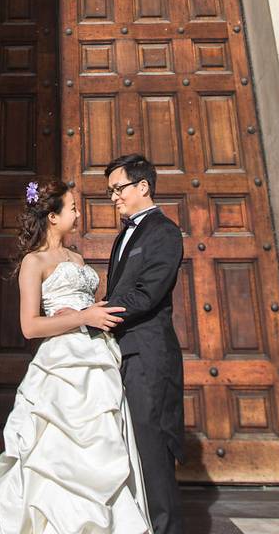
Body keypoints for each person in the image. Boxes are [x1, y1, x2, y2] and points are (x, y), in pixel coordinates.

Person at [0, 178, 151, 534]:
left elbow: (90, 307)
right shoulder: (35, 262)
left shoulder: (77, 258)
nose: (78, 213)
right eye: (73, 207)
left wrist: (94, 313)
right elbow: (30, 327)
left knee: (104, 444)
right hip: (61, 366)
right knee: (58, 451)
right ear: (52, 216)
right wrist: (83, 317)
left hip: (98, 360)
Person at [98, 154, 186, 534]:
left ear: (143, 187)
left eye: (118, 189)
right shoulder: (124, 234)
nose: (113, 197)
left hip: (149, 356)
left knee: (152, 450)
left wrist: (95, 316)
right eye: (110, 192)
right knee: (131, 450)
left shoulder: (164, 233)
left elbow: (147, 294)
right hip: (124, 353)